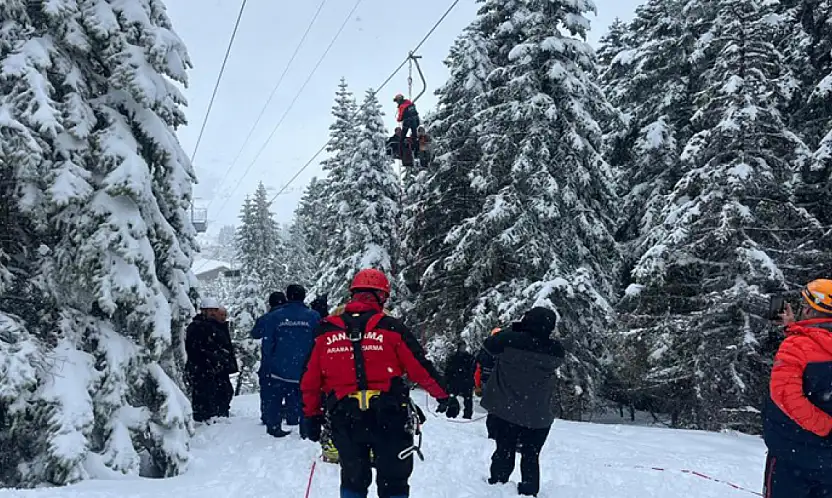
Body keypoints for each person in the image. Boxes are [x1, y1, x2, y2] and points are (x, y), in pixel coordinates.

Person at [301, 268, 460, 498]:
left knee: (353, 479)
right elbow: (420, 368)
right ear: (381, 296)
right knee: (394, 481)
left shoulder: (326, 331)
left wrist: (311, 415)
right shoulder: (391, 328)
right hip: (389, 417)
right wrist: (444, 396)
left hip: (346, 417)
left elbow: (310, 380)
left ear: (353, 294)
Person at [479, 307, 565, 497]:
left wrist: (516, 329)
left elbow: (489, 344)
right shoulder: (555, 350)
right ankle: (528, 491)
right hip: (538, 415)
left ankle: (497, 487)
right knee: (531, 457)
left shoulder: (509, 341)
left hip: (506, 410)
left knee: (504, 451)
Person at [763, 279, 832, 498]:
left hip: (793, 455)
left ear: (811, 309)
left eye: (804, 306)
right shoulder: (798, 342)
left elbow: (786, 396)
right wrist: (792, 329)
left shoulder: (795, 346)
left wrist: (827, 428)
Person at [252, 285, 320, 437]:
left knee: (274, 399)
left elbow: (267, 341)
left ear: (288, 296)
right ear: (303, 296)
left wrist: (269, 364)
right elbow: (318, 341)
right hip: (304, 368)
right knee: (304, 399)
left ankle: (274, 426)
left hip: (278, 368)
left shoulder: (274, 317)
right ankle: (304, 428)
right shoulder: (313, 316)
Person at [185, 298, 238, 422]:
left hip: (217, 367)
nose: (213, 313)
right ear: (204, 311)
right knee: (204, 394)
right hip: (203, 367)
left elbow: (224, 345)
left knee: (223, 391)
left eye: (214, 310)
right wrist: (211, 358)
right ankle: (205, 418)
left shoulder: (217, 326)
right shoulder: (197, 326)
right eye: (210, 311)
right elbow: (195, 348)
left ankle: (219, 414)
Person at [257, 291, 287, 425]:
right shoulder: (288, 317)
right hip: (291, 361)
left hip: (269, 361)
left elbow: (255, 333)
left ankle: (268, 415)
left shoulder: (266, 318)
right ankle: (291, 414)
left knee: (269, 390)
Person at [439, 340, 476, 419]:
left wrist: (472, 380)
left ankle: (467, 415)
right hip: (455, 381)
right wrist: (446, 380)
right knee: (451, 397)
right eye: (461, 347)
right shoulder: (453, 357)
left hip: (466, 381)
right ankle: (449, 412)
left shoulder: (469, 357)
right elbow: (448, 370)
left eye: (464, 347)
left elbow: (473, 370)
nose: (463, 348)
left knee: (468, 399)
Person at [474, 326, 503, 396]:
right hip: (501, 381)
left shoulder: (484, 350)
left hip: (487, 379)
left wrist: (477, 385)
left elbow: (477, 369)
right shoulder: (507, 349)